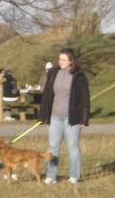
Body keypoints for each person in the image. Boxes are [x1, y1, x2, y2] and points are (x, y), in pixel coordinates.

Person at [39, 47, 90, 184]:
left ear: (71, 61)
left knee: (72, 147)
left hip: (72, 118)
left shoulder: (79, 75)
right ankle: (51, 176)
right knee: (52, 147)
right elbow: (47, 95)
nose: (60, 62)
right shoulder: (53, 73)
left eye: (64, 59)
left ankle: (74, 176)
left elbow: (85, 97)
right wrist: (43, 114)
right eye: (59, 59)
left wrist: (84, 117)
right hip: (55, 117)